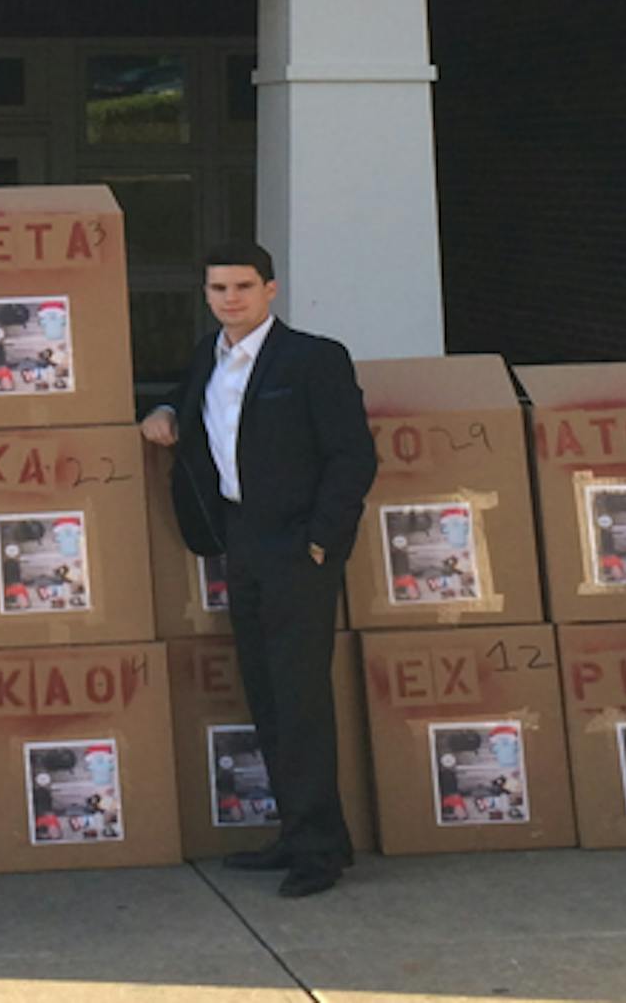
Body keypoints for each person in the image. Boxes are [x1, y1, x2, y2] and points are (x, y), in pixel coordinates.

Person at [141, 241, 377, 897]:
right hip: (239, 542)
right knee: (267, 695)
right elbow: (186, 398)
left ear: (271, 290)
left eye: (243, 286)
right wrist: (164, 411)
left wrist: (322, 542)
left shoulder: (313, 359)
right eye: (218, 288)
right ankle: (301, 832)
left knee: (300, 699)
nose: (230, 299)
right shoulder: (209, 357)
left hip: (298, 549)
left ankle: (319, 852)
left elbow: (352, 456)